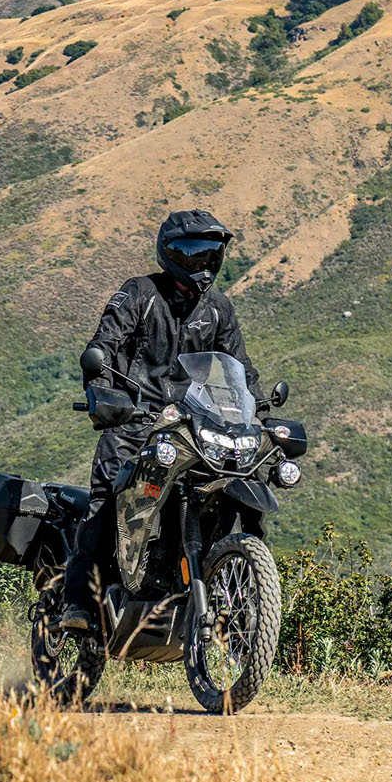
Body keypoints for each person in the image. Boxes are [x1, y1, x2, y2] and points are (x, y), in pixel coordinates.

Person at [58, 209, 263, 631]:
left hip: (195, 427)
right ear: (169, 253)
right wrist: (102, 392)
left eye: (210, 253)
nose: (202, 262)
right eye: (191, 252)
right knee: (107, 504)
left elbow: (239, 367)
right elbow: (104, 347)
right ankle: (75, 603)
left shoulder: (219, 309)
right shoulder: (139, 294)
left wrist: (259, 407)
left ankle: (240, 598)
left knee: (233, 487)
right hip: (136, 425)